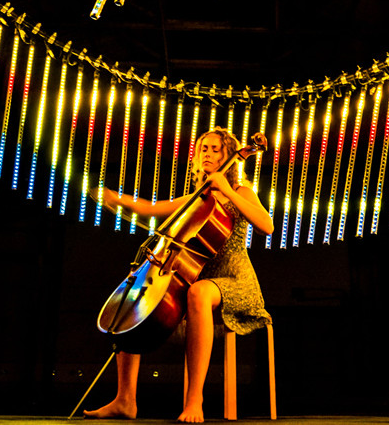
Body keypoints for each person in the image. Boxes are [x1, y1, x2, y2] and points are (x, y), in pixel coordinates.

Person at [83, 127, 274, 422]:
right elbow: (152, 208)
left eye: (215, 149)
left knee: (198, 292)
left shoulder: (240, 192)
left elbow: (267, 226)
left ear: (228, 155)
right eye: (203, 149)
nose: (207, 154)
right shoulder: (197, 198)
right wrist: (116, 199)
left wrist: (225, 189)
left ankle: (195, 400)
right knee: (135, 300)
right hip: (198, 278)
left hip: (235, 281)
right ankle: (125, 400)